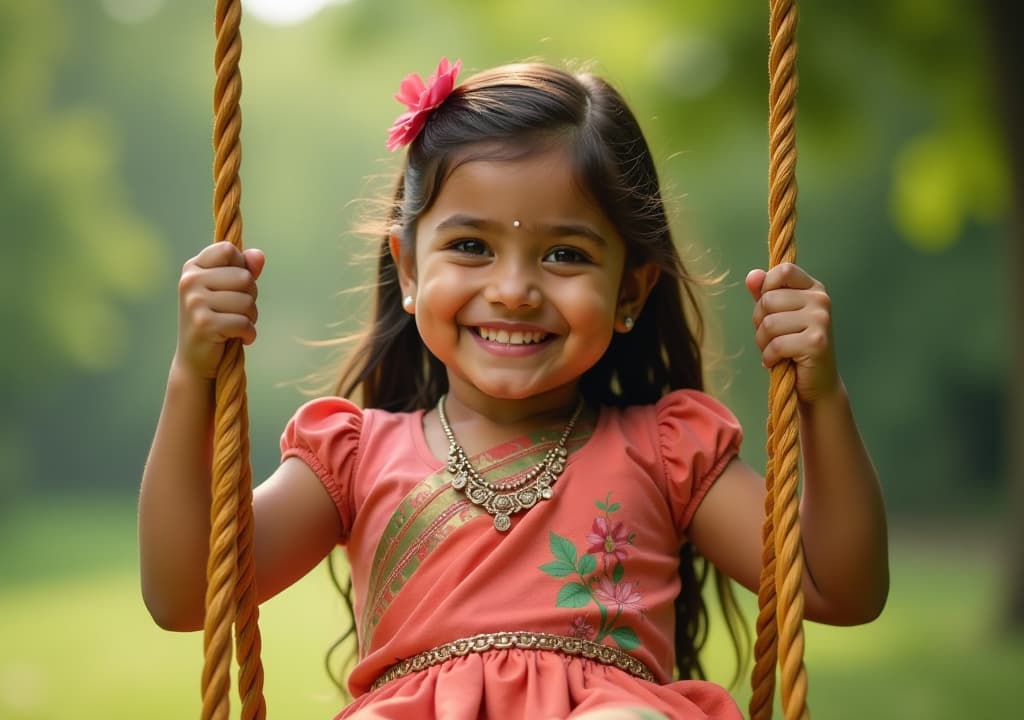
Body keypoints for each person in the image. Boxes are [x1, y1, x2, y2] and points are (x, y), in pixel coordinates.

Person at [139, 58, 889, 720]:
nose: (515, 290)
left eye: (564, 254)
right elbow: (186, 596)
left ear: (631, 290)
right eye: (471, 246)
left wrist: (821, 395)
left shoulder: (664, 452)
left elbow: (835, 590)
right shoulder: (355, 457)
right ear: (407, 268)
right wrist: (191, 376)